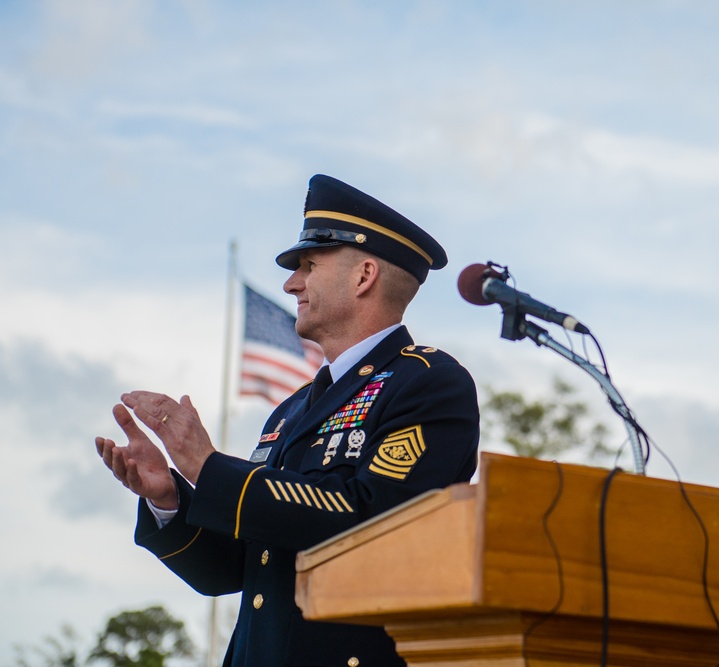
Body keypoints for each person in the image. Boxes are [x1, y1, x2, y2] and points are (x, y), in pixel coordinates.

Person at [94, 174, 481, 667]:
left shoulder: (428, 383)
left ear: (364, 277)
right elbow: (234, 570)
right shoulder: (290, 409)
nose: (290, 282)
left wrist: (207, 467)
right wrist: (169, 497)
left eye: (309, 265)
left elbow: (372, 519)